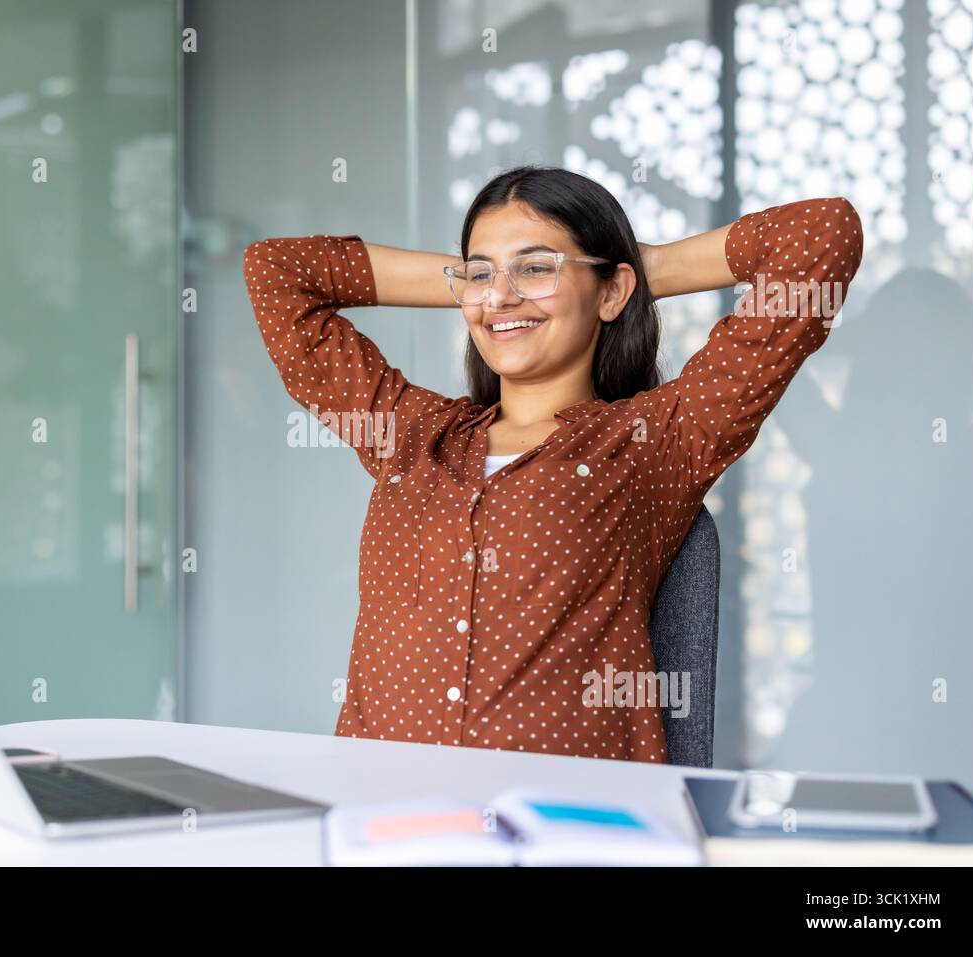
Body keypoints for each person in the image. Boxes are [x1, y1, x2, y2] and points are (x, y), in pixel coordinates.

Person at [242, 165, 863, 763]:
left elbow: (820, 237)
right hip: (378, 824)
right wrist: (491, 290)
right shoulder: (410, 436)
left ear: (613, 290)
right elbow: (277, 272)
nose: (501, 295)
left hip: (560, 829)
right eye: (481, 273)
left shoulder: (657, 442)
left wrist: (641, 272)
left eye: (537, 267)